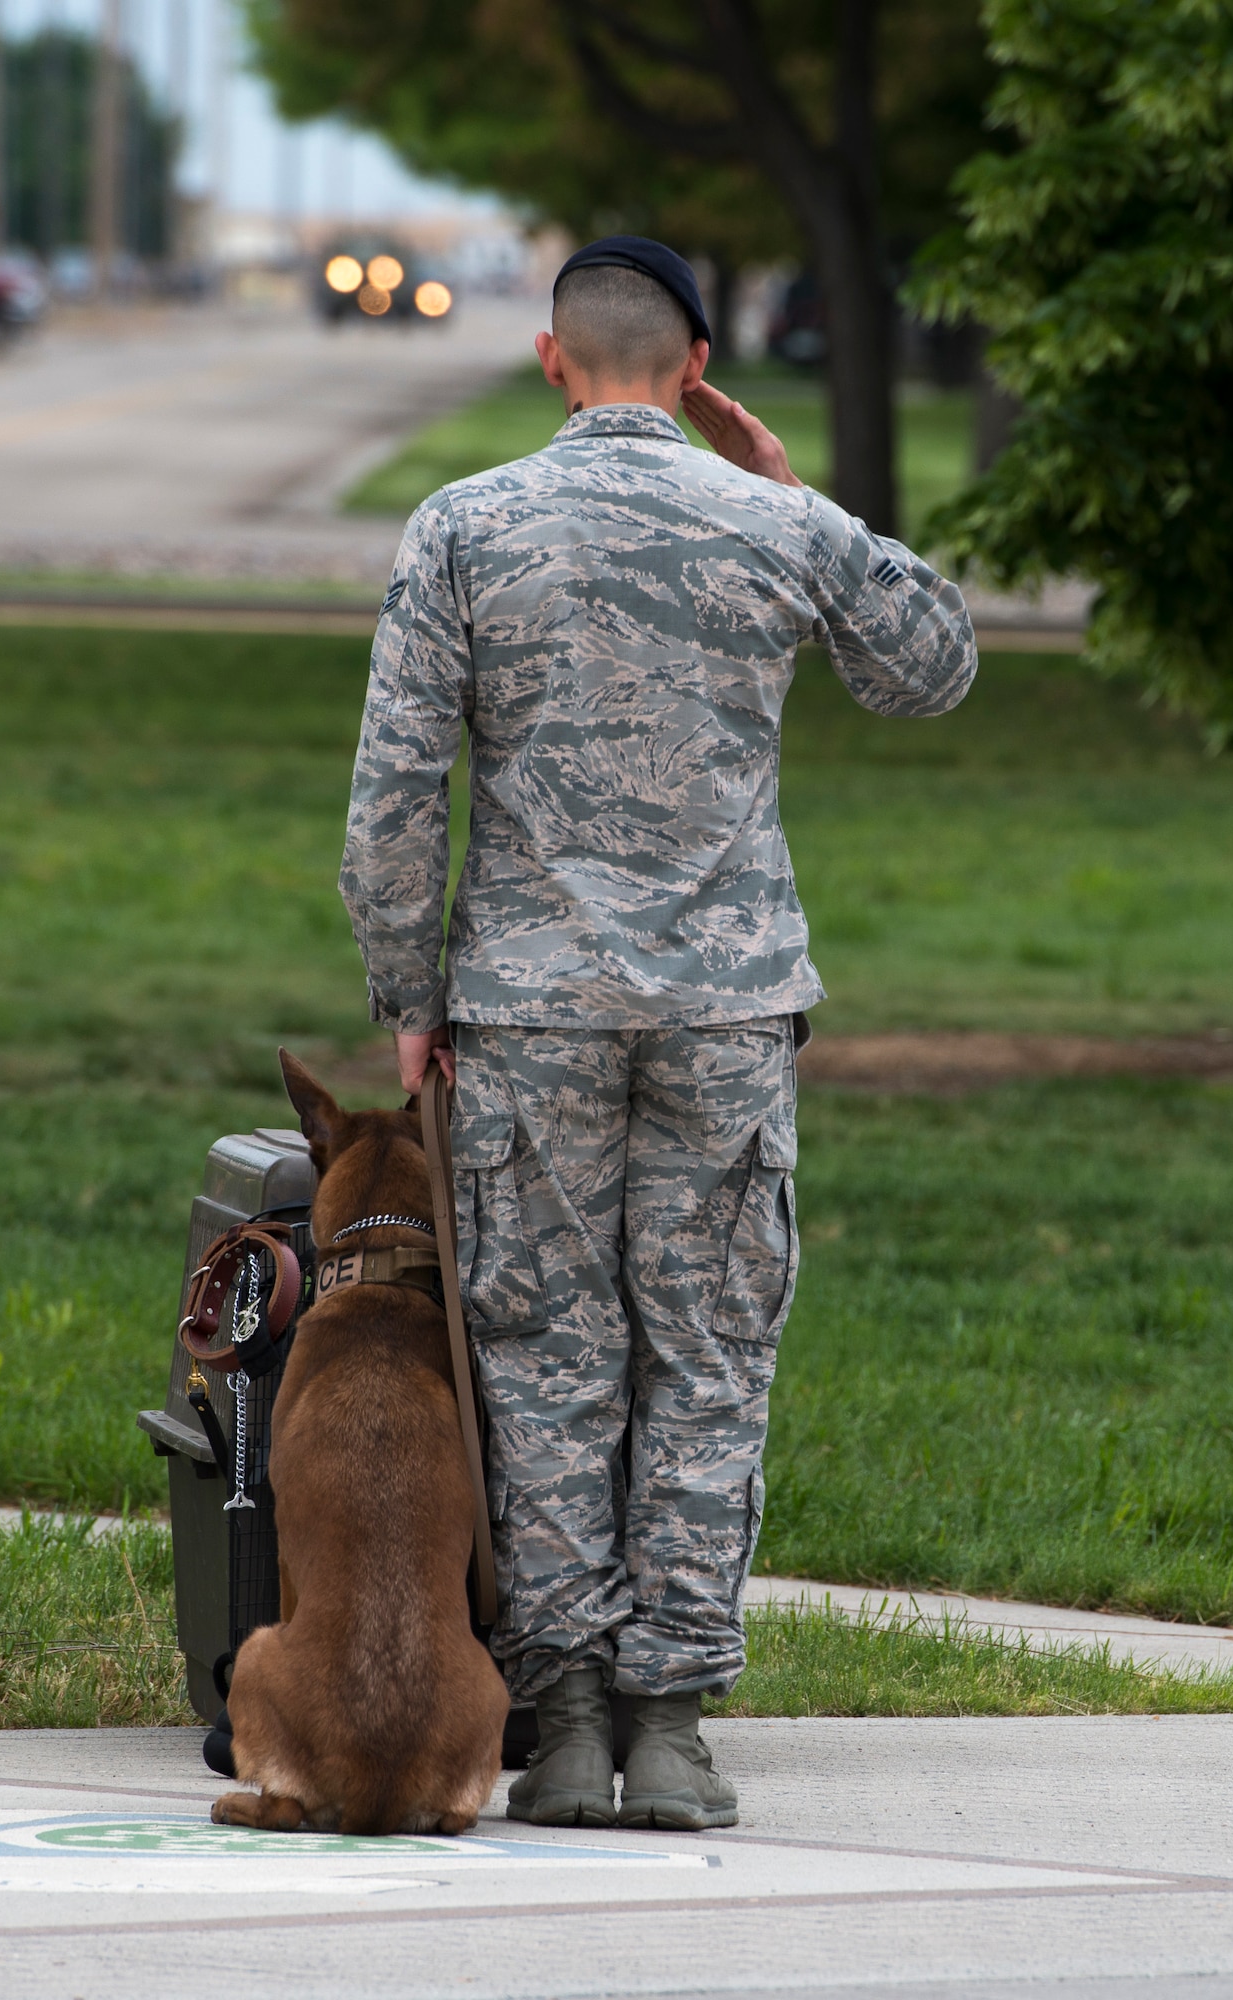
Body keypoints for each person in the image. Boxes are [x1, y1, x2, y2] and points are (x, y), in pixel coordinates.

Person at [340, 236, 976, 1831]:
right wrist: (797, 492)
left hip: (527, 1011)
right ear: (694, 370)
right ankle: (673, 1726)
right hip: (722, 1010)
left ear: (554, 362)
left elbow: (395, 801)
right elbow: (931, 671)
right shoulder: (765, 518)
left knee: (544, 1352)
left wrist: (409, 998)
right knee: (705, 1350)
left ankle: (559, 1722)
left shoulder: (465, 527)